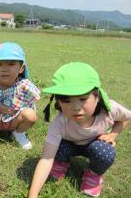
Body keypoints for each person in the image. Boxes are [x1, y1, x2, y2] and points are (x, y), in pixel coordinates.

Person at [29, 62, 131, 197]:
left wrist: (113, 134)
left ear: (97, 96)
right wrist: (33, 195)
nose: (76, 107)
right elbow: (46, 159)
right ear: (58, 102)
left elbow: (126, 118)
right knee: (57, 147)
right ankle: (61, 162)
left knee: (104, 152)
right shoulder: (60, 122)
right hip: (69, 145)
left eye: (83, 99)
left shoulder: (109, 110)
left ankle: (94, 174)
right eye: (67, 100)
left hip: (95, 144)